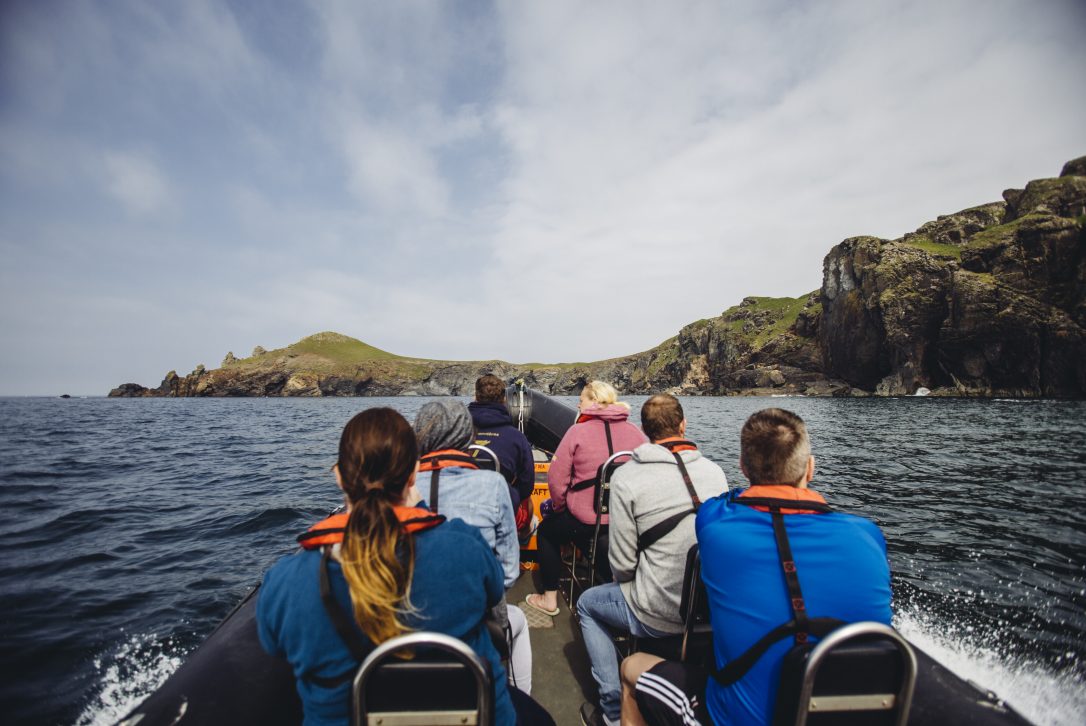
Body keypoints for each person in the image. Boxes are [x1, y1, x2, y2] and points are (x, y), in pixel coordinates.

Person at [256, 407, 549, 726]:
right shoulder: (465, 549)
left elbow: (273, 645)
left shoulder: (288, 581)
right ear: (413, 475)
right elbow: (495, 590)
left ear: (340, 475)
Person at [622, 408, 892, 726]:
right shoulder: (867, 534)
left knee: (632, 668)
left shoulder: (716, 525)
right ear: (811, 467)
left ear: (742, 467)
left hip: (733, 719)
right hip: (840, 715)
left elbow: (724, 501)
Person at [575, 394, 728, 726]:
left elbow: (623, 564)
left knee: (587, 604)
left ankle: (612, 709)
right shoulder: (715, 473)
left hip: (656, 613)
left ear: (644, 431)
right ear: (683, 425)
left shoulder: (627, 478)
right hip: (704, 610)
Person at [413, 399, 533, 695]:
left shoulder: (402, 485)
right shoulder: (493, 484)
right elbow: (508, 571)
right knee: (517, 624)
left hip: (412, 622)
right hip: (478, 614)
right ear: (467, 435)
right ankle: (516, 699)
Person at [524, 380, 647, 618]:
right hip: (623, 520)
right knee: (592, 533)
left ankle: (549, 598)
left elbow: (556, 478)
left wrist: (560, 506)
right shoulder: (635, 433)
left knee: (548, 531)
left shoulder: (577, 431)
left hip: (585, 518)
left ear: (594, 400)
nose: (578, 404)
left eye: (581, 400)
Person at [469, 374, 536, 510]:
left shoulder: (456, 432)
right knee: (528, 505)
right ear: (504, 400)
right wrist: (511, 497)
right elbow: (527, 484)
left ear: (475, 397)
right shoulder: (517, 438)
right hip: (500, 507)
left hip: (460, 506)